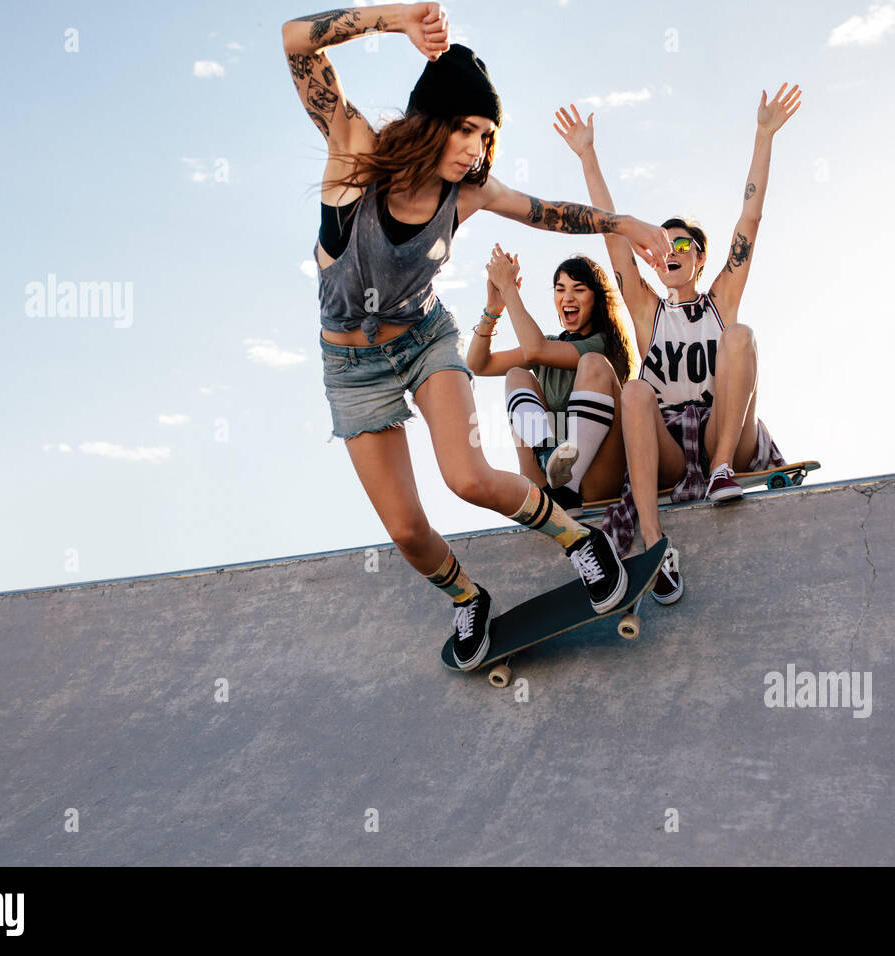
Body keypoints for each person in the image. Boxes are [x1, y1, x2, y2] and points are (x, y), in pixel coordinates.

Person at [282, 4, 672, 670]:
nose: (474, 148)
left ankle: (582, 542)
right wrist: (395, 19)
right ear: (431, 120)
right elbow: (294, 43)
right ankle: (467, 597)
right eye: (464, 129)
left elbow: (548, 213)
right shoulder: (358, 152)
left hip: (426, 340)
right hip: (352, 370)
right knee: (405, 530)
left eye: (485, 134)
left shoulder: (470, 193)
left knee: (466, 477)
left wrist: (624, 221)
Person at [553, 83, 802, 604]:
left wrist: (763, 136)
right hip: (667, 444)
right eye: (663, 242)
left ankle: (721, 471)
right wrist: (587, 155)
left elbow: (749, 221)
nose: (673, 249)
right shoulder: (649, 310)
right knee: (637, 391)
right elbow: (612, 240)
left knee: (740, 336)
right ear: (654, 256)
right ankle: (653, 543)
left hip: (724, 434)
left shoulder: (719, 300)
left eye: (683, 243)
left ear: (698, 260)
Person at [465, 245, 635, 516]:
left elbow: (535, 349)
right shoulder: (550, 345)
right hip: (547, 485)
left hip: (599, 481)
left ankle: (568, 483)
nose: (568, 297)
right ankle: (547, 456)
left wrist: (509, 289)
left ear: (597, 299)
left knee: (592, 364)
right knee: (517, 375)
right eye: (560, 289)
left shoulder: (603, 345)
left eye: (579, 289)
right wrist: (493, 309)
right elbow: (478, 364)